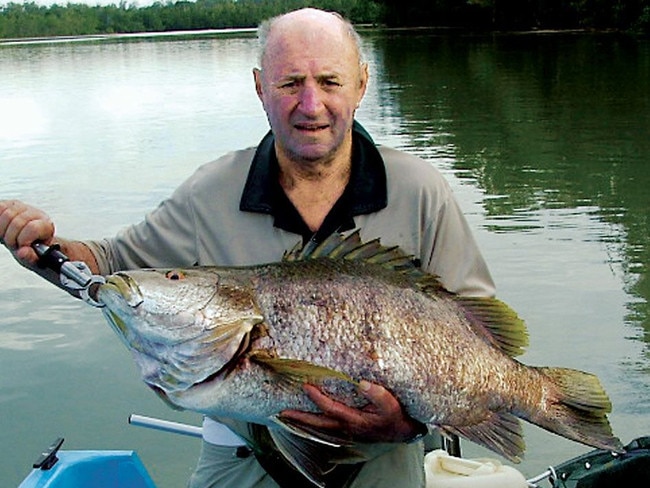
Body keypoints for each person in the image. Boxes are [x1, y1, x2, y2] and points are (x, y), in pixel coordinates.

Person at [0, 8, 495, 488]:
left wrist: (408, 426)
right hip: (242, 460)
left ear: (362, 84)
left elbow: (481, 338)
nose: (310, 104)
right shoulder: (209, 192)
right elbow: (109, 272)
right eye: (289, 83)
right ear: (260, 87)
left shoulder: (420, 190)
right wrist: (43, 247)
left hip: (387, 464)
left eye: (329, 81)